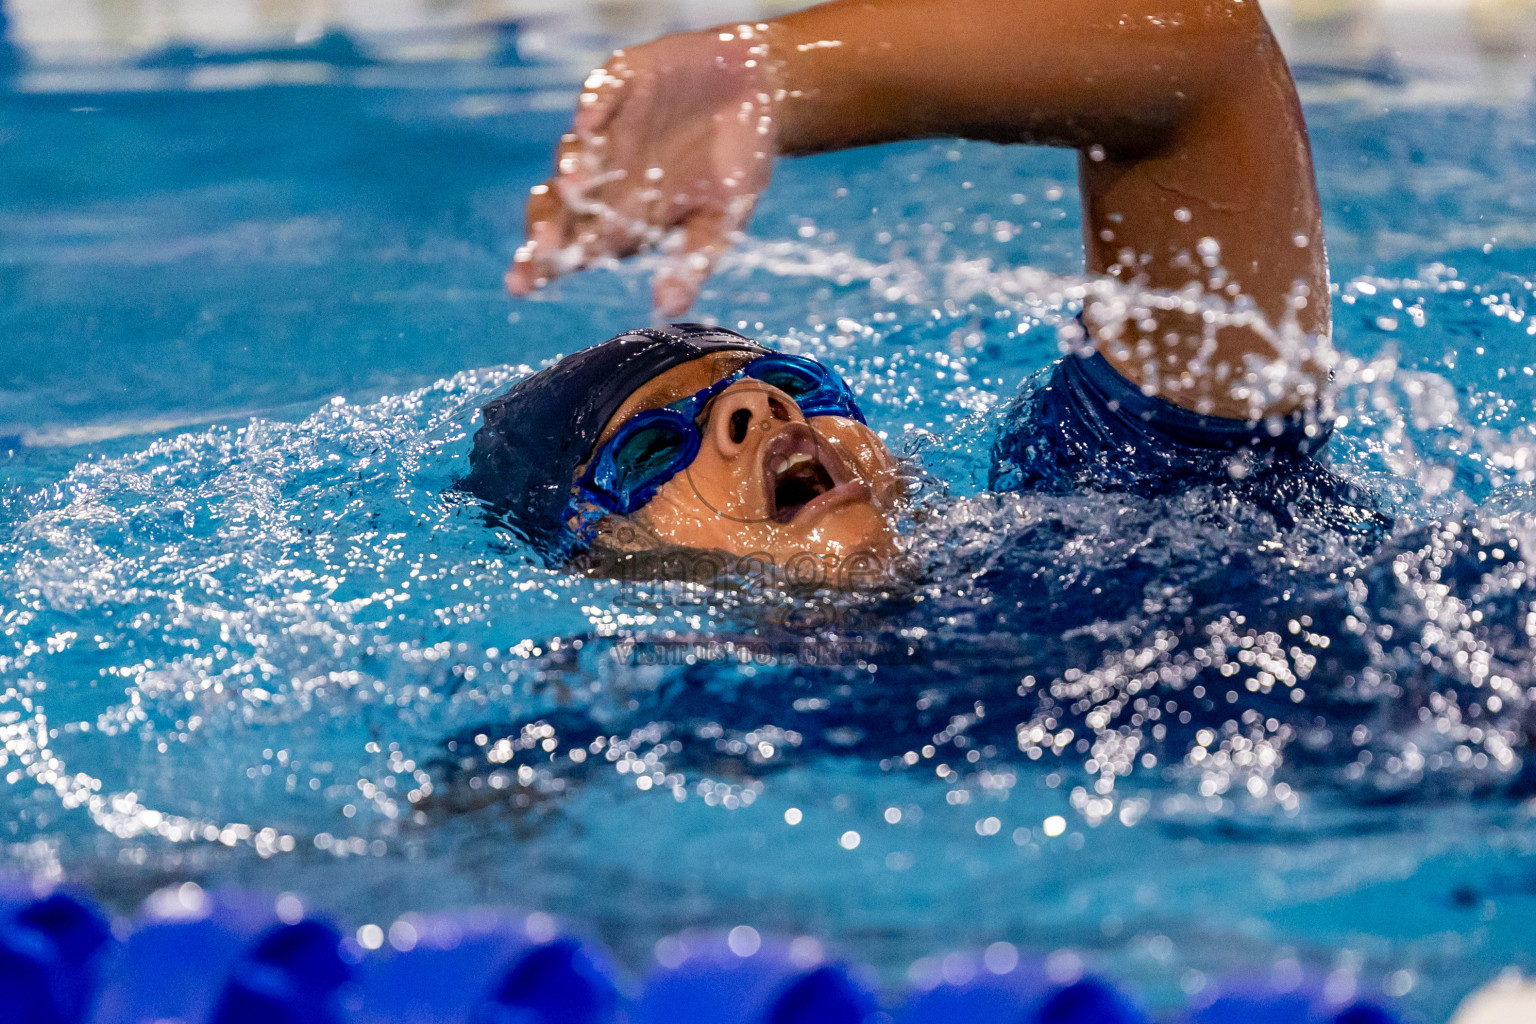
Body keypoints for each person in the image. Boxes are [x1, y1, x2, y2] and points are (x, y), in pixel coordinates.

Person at [463, 0, 1362, 576]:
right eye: (654, 448)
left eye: (801, 386)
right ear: (606, 566)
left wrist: (779, 74)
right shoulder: (677, 739)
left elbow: (1208, 61)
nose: (762, 406)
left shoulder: (1103, 503)